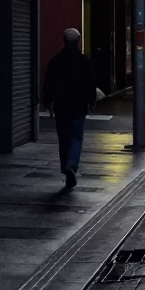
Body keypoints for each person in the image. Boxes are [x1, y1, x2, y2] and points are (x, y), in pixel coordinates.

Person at [41, 28, 96, 188]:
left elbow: (49, 83)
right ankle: (71, 165)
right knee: (76, 137)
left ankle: (66, 166)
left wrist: (48, 102)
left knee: (63, 137)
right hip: (79, 105)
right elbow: (91, 82)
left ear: (64, 41)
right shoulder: (84, 61)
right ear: (77, 41)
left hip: (61, 105)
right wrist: (91, 101)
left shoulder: (56, 61)